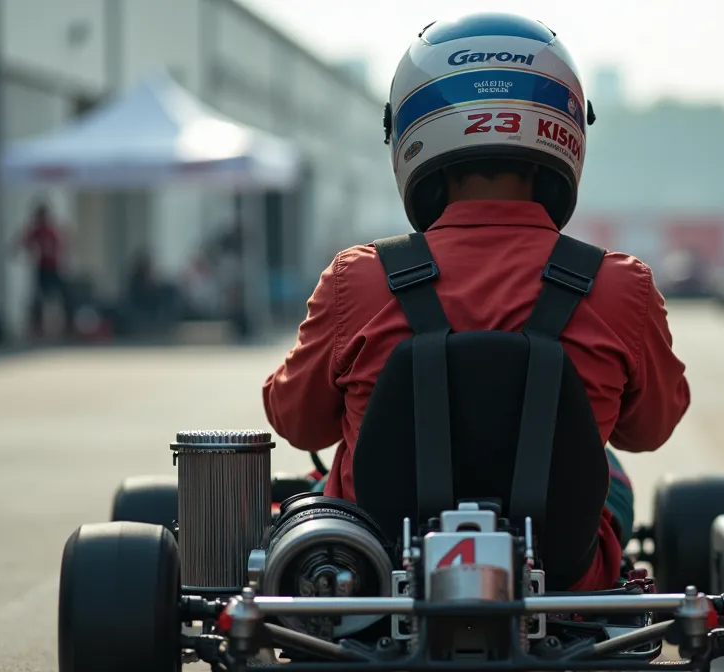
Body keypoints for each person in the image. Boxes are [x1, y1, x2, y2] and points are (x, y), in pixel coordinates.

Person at [263, 12, 689, 592]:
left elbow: (298, 422)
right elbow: (648, 430)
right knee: (610, 469)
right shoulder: (620, 287)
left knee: (318, 487)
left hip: (374, 584)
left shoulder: (358, 280)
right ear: (566, 130)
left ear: (409, 130)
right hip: (565, 591)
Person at [11, 200, 67, 337]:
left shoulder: (51, 231)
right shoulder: (37, 230)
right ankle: (39, 327)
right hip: (41, 268)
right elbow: (23, 241)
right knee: (38, 298)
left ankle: (56, 326)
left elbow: (58, 248)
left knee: (54, 297)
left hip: (53, 268)